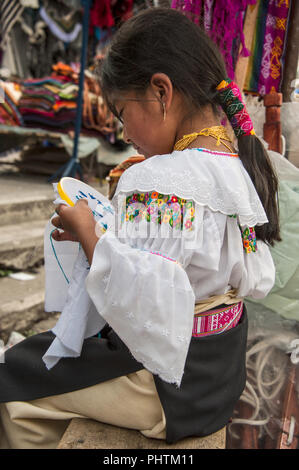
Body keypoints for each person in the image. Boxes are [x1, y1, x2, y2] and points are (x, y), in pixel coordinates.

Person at [0, 8, 280, 449]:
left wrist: (92, 237)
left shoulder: (155, 178)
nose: (121, 129)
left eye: (121, 111)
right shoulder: (239, 167)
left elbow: (148, 301)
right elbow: (203, 274)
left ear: (161, 92)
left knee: (14, 379)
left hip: (164, 381)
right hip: (220, 372)